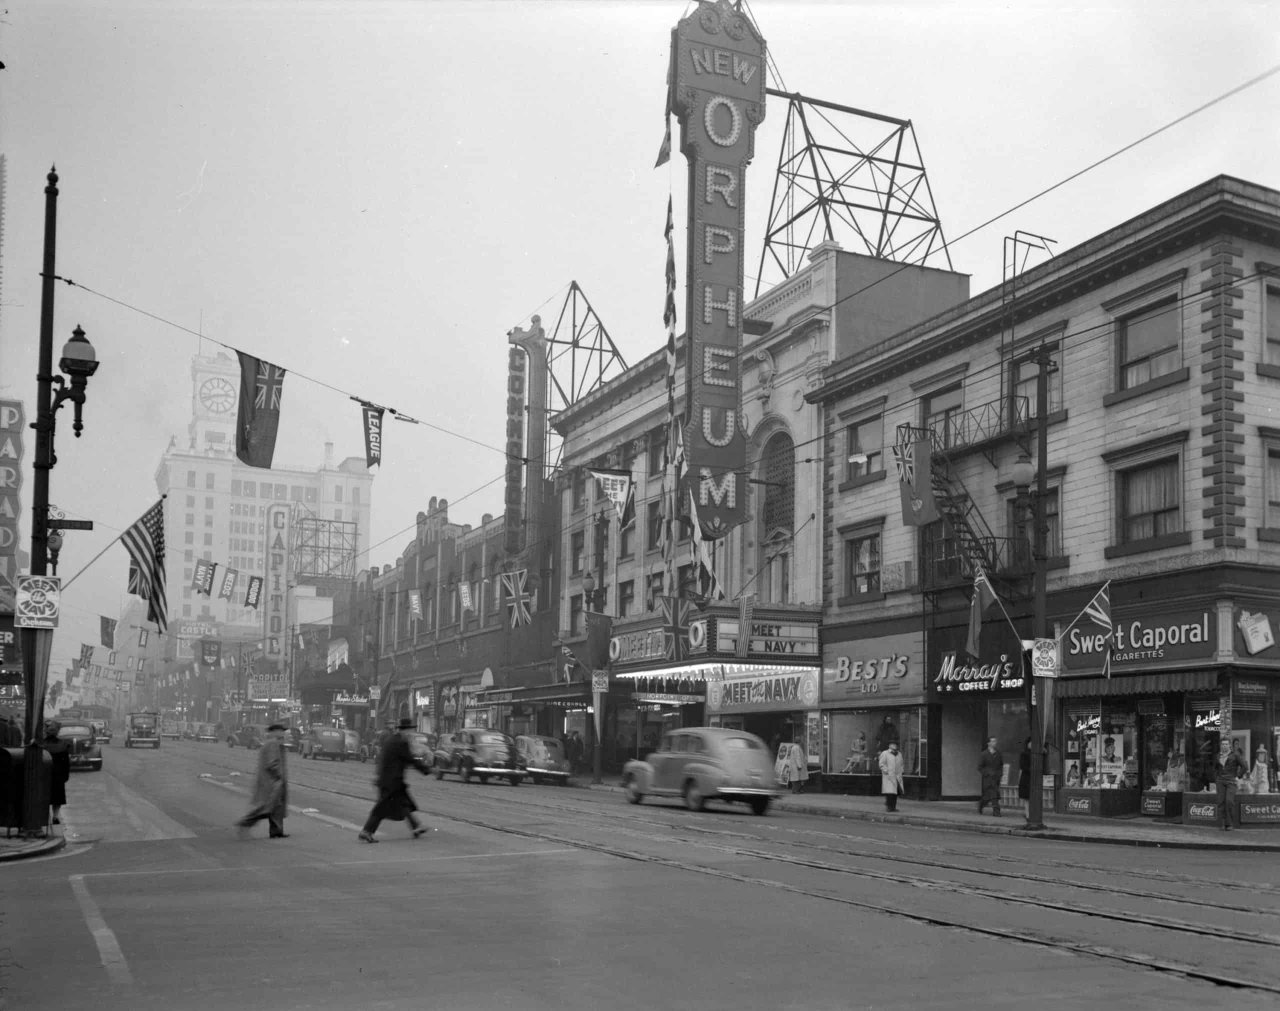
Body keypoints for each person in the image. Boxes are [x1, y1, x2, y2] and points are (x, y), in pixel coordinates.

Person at [359, 717, 432, 843]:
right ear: (405, 730)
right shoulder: (400, 742)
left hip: (391, 780)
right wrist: (427, 770)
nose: (411, 733)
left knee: (403, 803)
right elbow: (410, 759)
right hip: (391, 782)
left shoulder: (393, 740)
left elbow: (384, 760)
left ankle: (416, 827)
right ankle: (366, 831)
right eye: (410, 731)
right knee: (382, 808)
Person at [237, 723, 290, 839]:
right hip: (271, 782)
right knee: (266, 808)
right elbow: (272, 764)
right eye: (281, 731)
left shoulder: (274, 744)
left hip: (272, 781)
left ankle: (277, 831)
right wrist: (279, 776)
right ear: (275, 731)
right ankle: (245, 822)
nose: (283, 733)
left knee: (276, 807)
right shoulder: (272, 744)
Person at [40, 720, 71, 829]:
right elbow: (66, 763)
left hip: (44, 775)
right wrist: (65, 775)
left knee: (44, 796)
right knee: (57, 798)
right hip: (58, 775)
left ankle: (44, 816)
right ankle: (55, 816)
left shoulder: (42, 744)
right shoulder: (63, 744)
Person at [1214, 739, 1249, 831]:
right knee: (1221, 802)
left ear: (1229, 745)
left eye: (1226, 744)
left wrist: (1238, 777)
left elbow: (1245, 767)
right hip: (1220, 781)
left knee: (1229, 801)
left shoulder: (1235, 755)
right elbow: (1215, 768)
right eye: (1223, 744)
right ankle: (1222, 823)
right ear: (1220, 746)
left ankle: (1229, 824)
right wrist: (1216, 778)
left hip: (1231, 781)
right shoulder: (1218, 755)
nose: (1224, 746)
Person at [977, 737, 1004, 816]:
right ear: (988, 743)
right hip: (988, 778)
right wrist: (986, 773)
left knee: (990, 795)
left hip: (996, 777)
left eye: (995, 741)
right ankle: (996, 811)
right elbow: (979, 767)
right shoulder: (984, 754)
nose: (994, 743)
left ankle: (982, 804)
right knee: (993, 794)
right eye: (992, 741)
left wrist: (1000, 774)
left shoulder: (998, 753)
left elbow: (1001, 765)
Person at [879, 741, 905, 811]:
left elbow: (901, 764)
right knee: (889, 792)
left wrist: (901, 771)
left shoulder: (899, 754)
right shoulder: (885, 753)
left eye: (895, 744)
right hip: (889, 776)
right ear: (889, 745)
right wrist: (886, 771)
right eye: (893, 744)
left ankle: (893, 807)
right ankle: (889, 807)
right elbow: (881, 764)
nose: (894, 746)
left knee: (895, 793)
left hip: (897, 776)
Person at [1018, 738, 1032, 802]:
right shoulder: (1024, 754)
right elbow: (1022, 766)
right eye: (1030, 742)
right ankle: (1027, 812)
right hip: (1026, 778)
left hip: (1032, 778)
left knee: (1031, 798)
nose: (1032, 744)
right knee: (1027, 798)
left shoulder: (1036, 754)